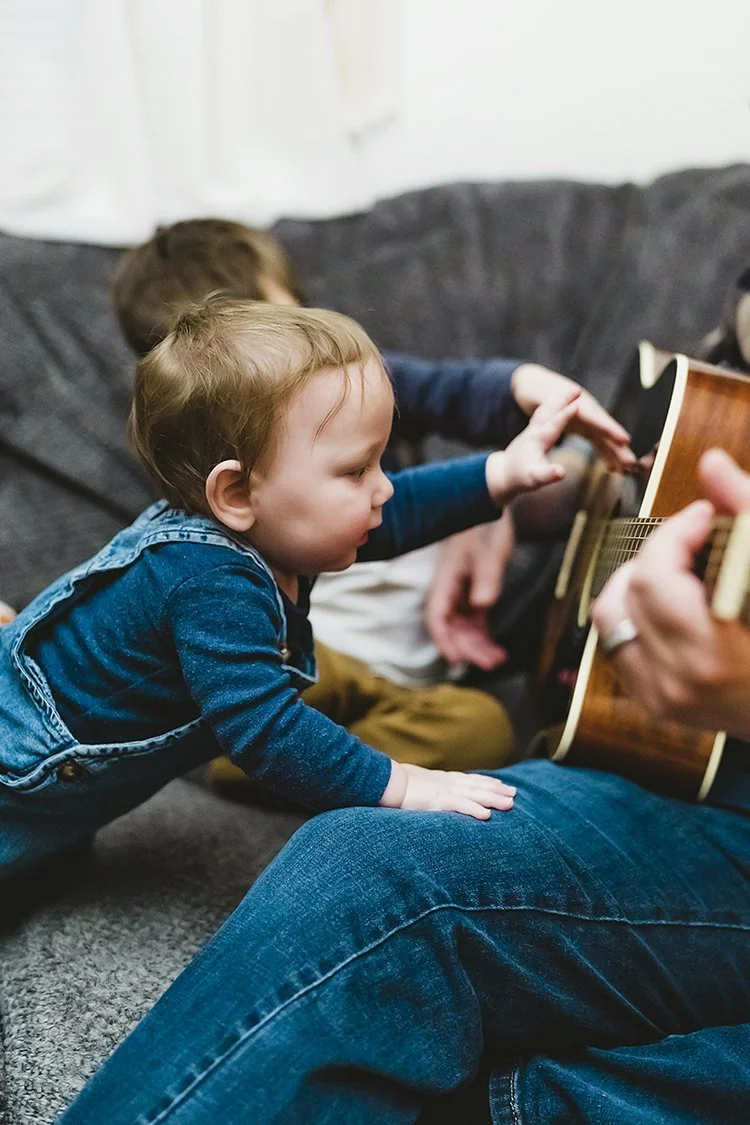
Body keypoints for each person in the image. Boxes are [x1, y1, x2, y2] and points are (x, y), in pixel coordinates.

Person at [57, 448, 750, 1124]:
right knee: (360, 868)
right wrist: (522, 501)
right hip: (684, 787)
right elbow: (629, 452)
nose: (382, 487)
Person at [0, 295, 605, 879]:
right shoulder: (208, 579)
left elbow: (396, 514)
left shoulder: (275, 530)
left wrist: (501, 473)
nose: (383, 487)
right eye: (356, 471)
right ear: (237, 493)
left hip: (61, 795)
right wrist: (401, 782)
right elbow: (266, 731)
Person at [113, 218, 631, 781]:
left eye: (300, 322)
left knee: (482, 728)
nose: (305, 355)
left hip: (404, 685)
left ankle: (289, 762)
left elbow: (453, 392)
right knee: (279, 684)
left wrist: (526, 386)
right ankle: (262, 744)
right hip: (303, 661)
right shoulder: (204, 507)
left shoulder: (348, 387)